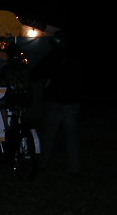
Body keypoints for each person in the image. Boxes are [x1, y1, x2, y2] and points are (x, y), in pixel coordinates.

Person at [31, 31, 84, 177]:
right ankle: (74, 167)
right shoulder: (76, 58)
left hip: (54, 101)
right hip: (71, 101)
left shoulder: (52, 57)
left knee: (48, 134)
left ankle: (42, 164)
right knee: (71, 136)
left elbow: (35, 75)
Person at [0, 43, 32, 131]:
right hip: (27, 97)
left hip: (12, 97)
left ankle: (6, 126)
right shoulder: (26, 67)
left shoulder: (7, 68)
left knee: (1, 103)